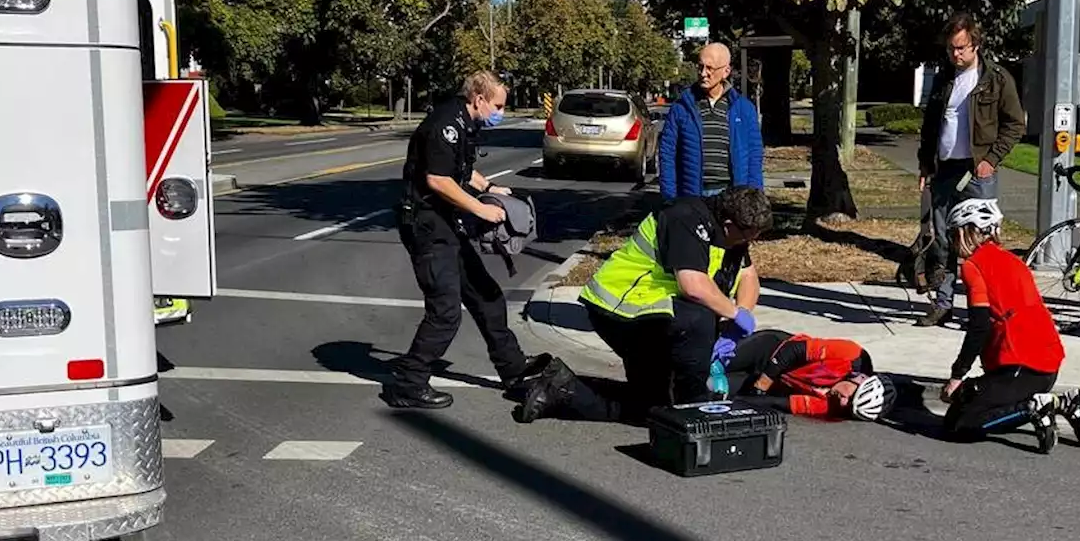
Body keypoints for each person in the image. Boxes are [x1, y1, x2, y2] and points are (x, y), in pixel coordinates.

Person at [514, 186, 773, 424]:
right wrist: (733, 313)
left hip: (658, 315)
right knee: (699, 319)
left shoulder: (733, 237)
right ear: (729, 225)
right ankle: (694, 409)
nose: (749, 243)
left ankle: (560, 389)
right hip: (622, 310)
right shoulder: (685, 219)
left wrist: (740, 318)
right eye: (747, 236)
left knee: (651, 406)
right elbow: (692, 285)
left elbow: (748, 276)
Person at [382, 70, 550, 409]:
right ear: (479, 99)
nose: (501, 111)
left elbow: (460, 170)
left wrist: (489, 188)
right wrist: (480, 209)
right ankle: (410, 384)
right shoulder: (446, 124)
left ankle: (514, 370)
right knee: (445, 312)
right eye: (499, 105)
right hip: (426, 225)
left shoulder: (463, 123)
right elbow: (438, 180)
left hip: (445, 222)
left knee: (487, 296)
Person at [938, 198, 1080, 454]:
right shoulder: (1011, 259)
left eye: (953, 234)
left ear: (965, 231)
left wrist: (957, 375)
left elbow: (979, 327)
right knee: (965, 401)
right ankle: (1070, 404)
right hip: (1044, 365)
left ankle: (1036, 408)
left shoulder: (973, 266)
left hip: (1021, 364)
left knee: (961, 426)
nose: (953, 242)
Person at [916, 13, 1027, 328]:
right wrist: (926, 163)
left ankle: (988, 307)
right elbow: (930, 124)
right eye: (951, 49)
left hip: (978, 170)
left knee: (981, 240)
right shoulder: (944, 78)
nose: (956, 54)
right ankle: (943, 302)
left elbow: (1015, 124)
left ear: (975, 44)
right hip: (943, 168)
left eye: (962, 48)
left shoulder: (997, 78)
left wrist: (991, 159)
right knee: (941, 239)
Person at [720, 329, 898, 422]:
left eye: (849, 407)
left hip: (774, 385)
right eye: (851, 397)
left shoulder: (835, 406)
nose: (843, 401)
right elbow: (793, 350)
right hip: (771, 351)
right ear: (859, 379)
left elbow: (779, 403)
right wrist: (760, 387)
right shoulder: (850, 353)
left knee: (713, 390)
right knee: (706, 364)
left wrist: (737, 404)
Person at [659, 42, 764, 199]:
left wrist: (754, 196)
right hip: (692, 197)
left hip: (732, 196)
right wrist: (669, 197)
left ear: (726, 71)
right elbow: (667, 153)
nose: (703, 73)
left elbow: (754, 156)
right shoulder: (681, 107)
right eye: (700, 67)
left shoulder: (743, 109)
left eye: (710, 68)